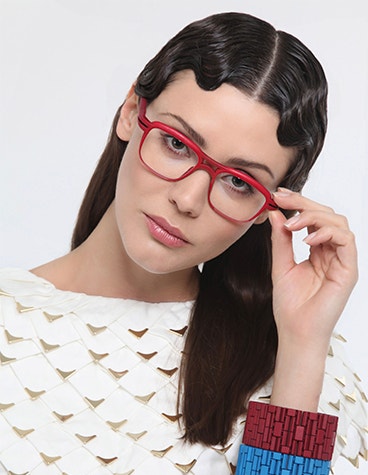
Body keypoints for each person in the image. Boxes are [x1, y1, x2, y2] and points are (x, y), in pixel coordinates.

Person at [0, 11, 366, 475]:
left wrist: (301, 352)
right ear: (132, 113)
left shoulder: (304, 361)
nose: (189, 198)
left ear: (270, 207)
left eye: (237, 181)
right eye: (176, 144)